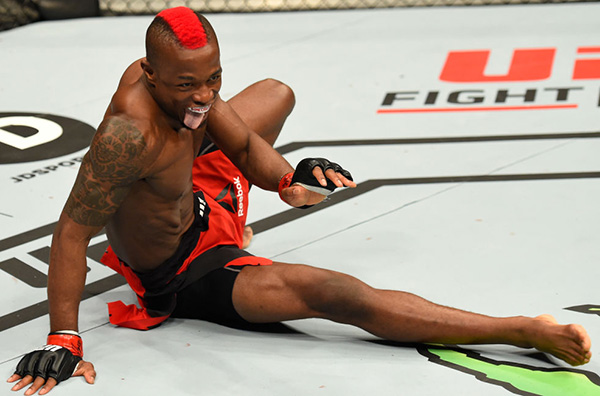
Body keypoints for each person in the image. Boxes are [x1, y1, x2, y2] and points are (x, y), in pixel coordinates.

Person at [7, 6, 592, 395]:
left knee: (274, 95)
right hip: (188, 268)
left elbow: (239, 139)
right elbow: (71, 233)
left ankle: (238, 220)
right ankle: (518, 329)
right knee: (335, 293)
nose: (206, 93)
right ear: (149, 76)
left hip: (203, 198)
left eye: (213, 77)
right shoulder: (125, 138)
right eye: (188, 84)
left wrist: (290, 177)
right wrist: (64, 337)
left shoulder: (194, 94)